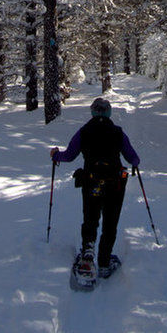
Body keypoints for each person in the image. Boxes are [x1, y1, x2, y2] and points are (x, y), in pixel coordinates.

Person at [50, 97, 140, 278]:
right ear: (108, 112)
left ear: (93, 112)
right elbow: (133, 157)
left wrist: (55, 155)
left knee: (91, 217)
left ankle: (88, 253)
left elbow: (69, 155)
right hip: (115, 184)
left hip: (91, 182)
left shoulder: (84, 131)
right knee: (110, 221)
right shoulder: (118, 132)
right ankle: (105, 261)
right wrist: (134, 163)